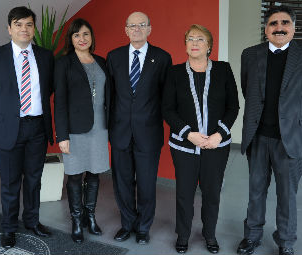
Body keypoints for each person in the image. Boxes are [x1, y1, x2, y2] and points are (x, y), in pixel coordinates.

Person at [237, 6, 302, 255]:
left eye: (285, 22)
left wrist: (296, 119)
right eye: (273, 23)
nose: (279, 27)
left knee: (287, 195)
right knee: (255, 192)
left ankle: (286, 242)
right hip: (258, 137)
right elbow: (248, 90)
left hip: (292, 139)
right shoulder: (250, 54)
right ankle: (252, 236)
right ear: (266, 29)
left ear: (293, 27)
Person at [0, 6, 54, 249]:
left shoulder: (45, 56)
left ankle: (32, 221)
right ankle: (9, 228)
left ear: (34, 29)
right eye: (18, 25)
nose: (24, 29)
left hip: (37, 128)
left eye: (29, 24)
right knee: (10, 183)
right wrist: (6, 111)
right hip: (10, 129)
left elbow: (47, 88)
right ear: (9, 29)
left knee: (34, 179)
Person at [162, 24, 239, 254]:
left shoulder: (223, 70)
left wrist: (219, 134)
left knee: (212, 193)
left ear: (209, 46)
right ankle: (183, 235)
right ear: (185, 45)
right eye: (190, 39)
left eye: (200, 39)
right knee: (184, 194)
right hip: (184, 146)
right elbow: (167, 109)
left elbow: (233, 106)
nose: (194, 43)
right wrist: (188, 134)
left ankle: (210, 235)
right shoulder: (174, 73)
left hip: (216, 146)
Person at [106, 11, 172, 245]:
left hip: (148, 134)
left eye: (141, 25)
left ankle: (143, 227)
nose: (136, 29)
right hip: (120, 132)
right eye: (132, 25)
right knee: (122, 183)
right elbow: (110, 97)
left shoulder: (162, 58)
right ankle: (127, 224)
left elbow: (166, 98)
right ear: (126, 30)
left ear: (149, 29)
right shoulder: (113, 57)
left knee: (146, 184)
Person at [54, 18, 110, 243]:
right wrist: (62, 136)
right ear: (71, 39)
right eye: (77, 35)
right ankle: (76, 221)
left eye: (86, 34)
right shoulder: (64, 63)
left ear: (92, 37)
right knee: (75, 175)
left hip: (100, 127)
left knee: (95, 173)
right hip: (75, 130)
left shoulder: (101, 61)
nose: (82, 38)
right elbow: (59, 102)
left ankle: (90, 217)